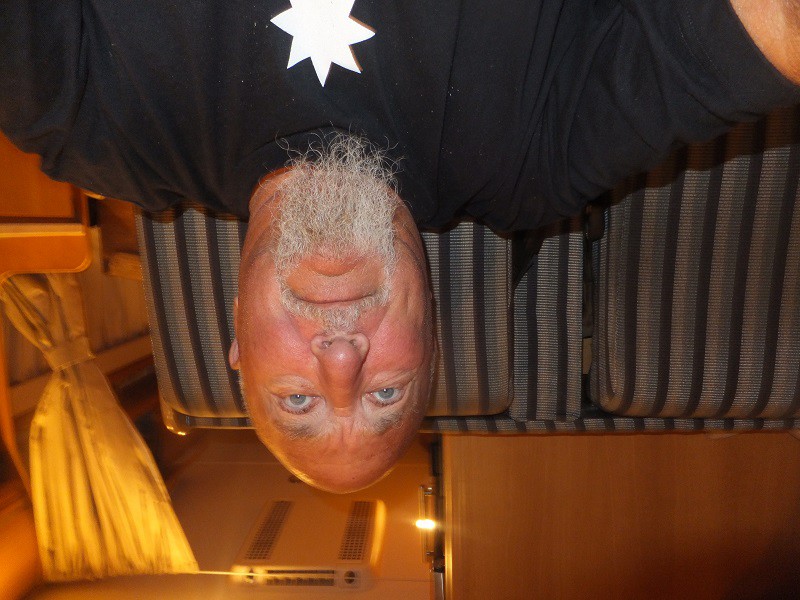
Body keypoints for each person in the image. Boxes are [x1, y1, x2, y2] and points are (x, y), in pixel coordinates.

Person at [2, 0, 799, 492]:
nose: (341, 362)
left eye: (298, 400)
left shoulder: (90, 127)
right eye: (385, 393)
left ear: (237, 345)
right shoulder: (542, 159)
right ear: (434, 337)